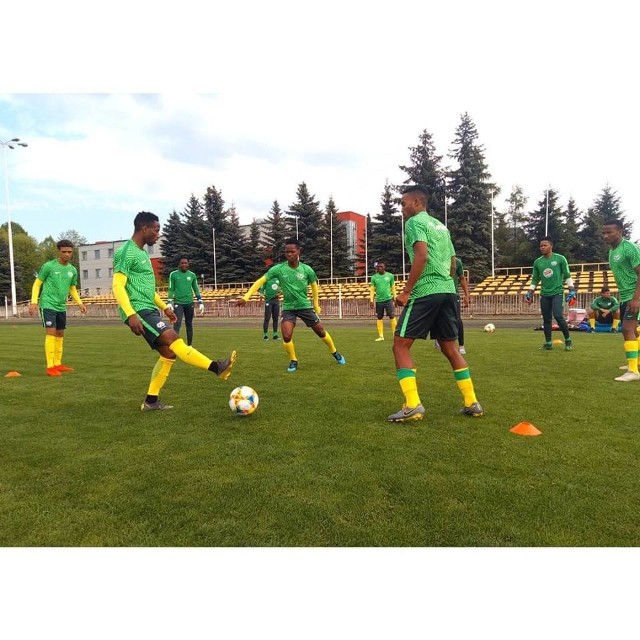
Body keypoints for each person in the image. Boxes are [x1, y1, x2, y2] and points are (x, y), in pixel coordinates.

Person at [112, 211, 236, 410]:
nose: (158, 234)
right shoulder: (126, 252)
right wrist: (130, 313)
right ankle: (216, 367)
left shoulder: (143, 253)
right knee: (174, 340)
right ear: (144, 228)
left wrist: (165, 307)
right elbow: (117, 286)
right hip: (137, 310)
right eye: (156, 229)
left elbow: (148, 290)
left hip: (147, 308)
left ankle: (151, 401)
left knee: (168, 354)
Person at [387, 186, 483, 423]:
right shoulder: (441, 226)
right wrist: (447, 285)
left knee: (400, 345)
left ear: (417, 202)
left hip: (426, 291)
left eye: (403, 203)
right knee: (450, 348)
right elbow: (452, 262)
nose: (402, 208)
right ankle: (472, 402)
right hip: (448, 291)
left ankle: (412, 405)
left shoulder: (414, 223)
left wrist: (407, 291)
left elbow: (422, 255)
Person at [237, 237, 346, 372]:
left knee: (321, 332)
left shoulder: (307, 270)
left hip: (305, 306)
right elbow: (260, 281)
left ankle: (335, 352)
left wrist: (316, 304)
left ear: (298, 252)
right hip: (289, 308)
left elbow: (314, 286)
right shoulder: (278, 269)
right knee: (287, 336)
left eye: (292, 251)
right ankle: (293, 360)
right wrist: (246, 297)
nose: (289, 254)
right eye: (287, 252)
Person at [29, 239, 88, 376]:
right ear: (58, 251)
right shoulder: (48, 266)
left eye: (69, 252)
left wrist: (80, 303)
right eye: (64, 252)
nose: (67, 254)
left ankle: (58, 364)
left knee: (60, 334)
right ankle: (50, 367)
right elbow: (37, 284)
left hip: (61, 306)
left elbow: (72, 288)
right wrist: (33, 302)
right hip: (48, 304)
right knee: (51, 332)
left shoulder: (72, 270)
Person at [601, 219, 640, 381]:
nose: (605, 236)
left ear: (620, 231)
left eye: (609, 232)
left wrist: (636, 299)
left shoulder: (629, 248)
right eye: (603, 233)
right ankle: (635, 364)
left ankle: (633, 372)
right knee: (633, 331)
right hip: (625, 296)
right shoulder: (612, 251)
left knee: (627, 329)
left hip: (634, 295)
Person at [524, 237, 575, 351]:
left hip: (557, 292)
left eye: (544, 245)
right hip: (544, 294)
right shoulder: (538, 262)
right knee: (546, 319)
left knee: (558, 316)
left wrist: (572, 289)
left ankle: (567, 339)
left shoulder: (560, 259)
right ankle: (548, 343)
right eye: (541, 246)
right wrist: (530, 292)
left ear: (551, 246)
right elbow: (535, 279)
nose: (542, 247)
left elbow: (567, 275)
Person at [167, 257, 204, 346]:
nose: (184, 265)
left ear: (188, 264)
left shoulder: (192, 275)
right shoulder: (173, 274)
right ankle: (174, 346)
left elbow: (195, 289)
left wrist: (200, 301)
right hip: (178, 303)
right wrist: (169, 301)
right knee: (177, 324)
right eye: (182, 263)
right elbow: (171, 289)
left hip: (189, 303)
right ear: (179, 264)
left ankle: (189, 346)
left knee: (189, 324)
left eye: (185, 263)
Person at [369, 261, 397, 341]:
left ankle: (395, 335)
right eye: (378, 267)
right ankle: (381, 336)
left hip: (388, 300)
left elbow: (393, 288)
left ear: (385, 267)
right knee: (379, 317)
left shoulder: (390, 276)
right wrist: (371, 300)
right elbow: (372, 289)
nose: (379, 268)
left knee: (392, 316)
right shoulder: (374, 277)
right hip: (379, 301)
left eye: (381, 266)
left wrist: (395, 298)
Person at [259, 273, 282, 340]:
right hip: (268, 301)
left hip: (276, 301)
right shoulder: (266, 278)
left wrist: (279, 294)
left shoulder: (278, 279)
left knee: (275, 318)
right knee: (267, 318)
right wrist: (261, 300)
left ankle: (275, 334)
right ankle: (265, 335)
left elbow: (280, 289)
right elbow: (262, 289)